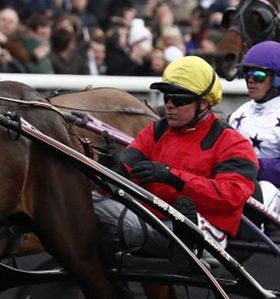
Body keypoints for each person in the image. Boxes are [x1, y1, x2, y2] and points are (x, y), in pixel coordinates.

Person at [94, 55, 258, 262]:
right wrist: (108, 171)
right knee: (87, 201)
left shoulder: (232, 142)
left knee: (186, 219)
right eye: (166, 97)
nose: (170, 105)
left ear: (204, 104)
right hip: (152, 220)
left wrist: (173, 177)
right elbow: (126, 169)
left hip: (207, 233)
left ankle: (189, 241)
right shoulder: (156, 130)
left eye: (179, 99)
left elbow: (232, 195)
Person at [228, 41, 280, 216]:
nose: (250, 80)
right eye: (246, 74)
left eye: (258, 75)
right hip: (237, 187)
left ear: (277, 78)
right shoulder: (238, 113)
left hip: (270, 192)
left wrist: (249, 166)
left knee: (264, 189)